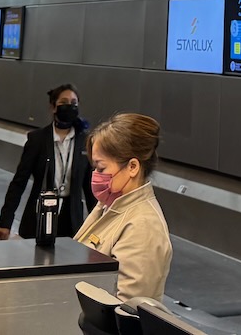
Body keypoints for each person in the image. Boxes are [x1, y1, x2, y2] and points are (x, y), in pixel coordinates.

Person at [73, 113, 172, 301]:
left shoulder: (143, 226)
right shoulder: (108, 205)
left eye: (101, 168)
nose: (96, 175)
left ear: (132, 167)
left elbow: (127, 308)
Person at [0, 83, 95, 241]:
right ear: (53, 107)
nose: (69, 106)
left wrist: (99, 226)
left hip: (71, 219)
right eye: (63, 102)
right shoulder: (38, 139)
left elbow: (90, 189)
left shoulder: (85, 142)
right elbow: (19, 182)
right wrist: (5, 221)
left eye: (73, 103)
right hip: (39, 213)